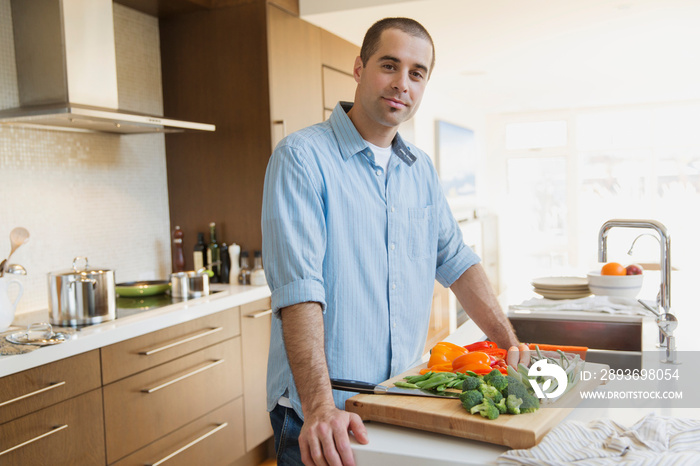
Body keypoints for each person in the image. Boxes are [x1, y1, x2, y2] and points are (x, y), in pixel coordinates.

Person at [262, 17, 527, 466]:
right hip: (327, 414)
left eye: (416, 73)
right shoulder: (302, 158)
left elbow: (456, 260)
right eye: (389, 65)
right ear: (360, 68)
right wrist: (322, 408)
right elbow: (299, 292)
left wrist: (509, 343)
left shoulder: (418, 168)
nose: (402, 83)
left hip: (398, 398)